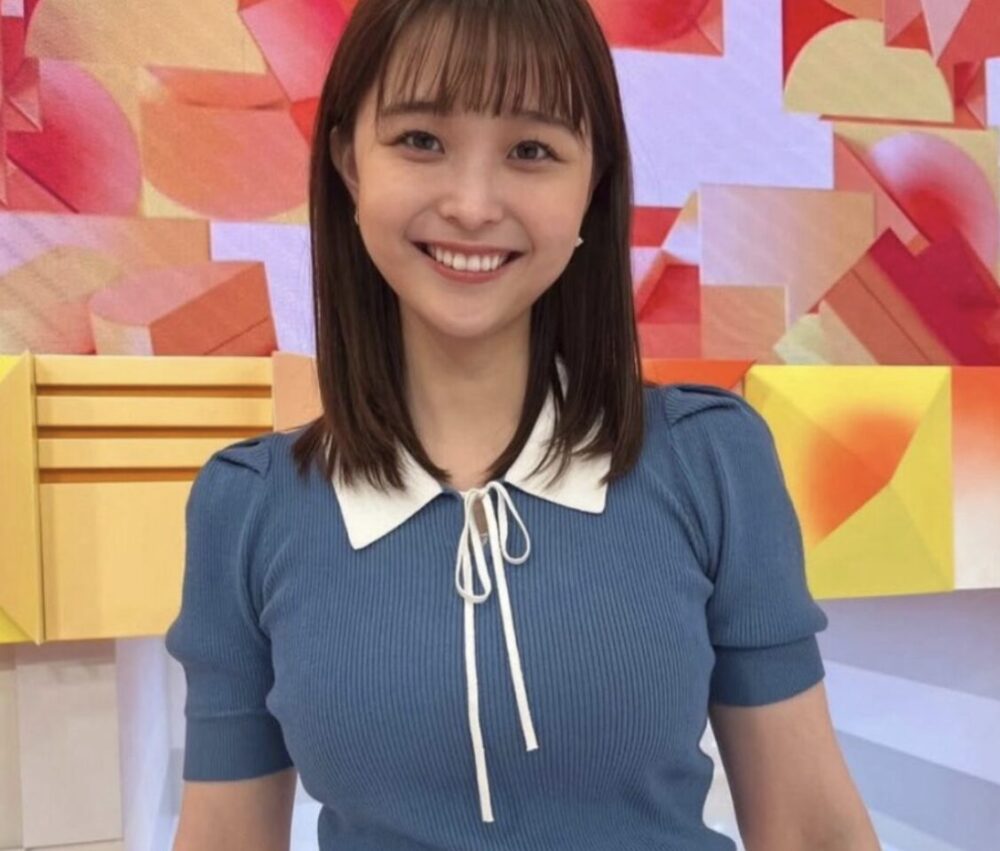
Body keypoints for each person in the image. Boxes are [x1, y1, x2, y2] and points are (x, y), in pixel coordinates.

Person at [166, 1, 880, 848]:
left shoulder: (710, 461)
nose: (472, 204)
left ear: (592, 184)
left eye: (531, 151)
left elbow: (810, 829)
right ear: (350, 162)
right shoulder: (248, 507)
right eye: (421, 140)